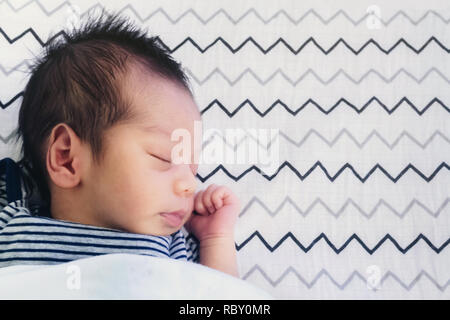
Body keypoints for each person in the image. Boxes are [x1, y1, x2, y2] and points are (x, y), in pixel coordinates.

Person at [0, 10, 240, 277]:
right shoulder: (11, 225)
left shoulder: (175, 248)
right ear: (66, 158)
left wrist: (216, 238)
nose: (189, 185)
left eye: (192, 169)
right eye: (163, 158)